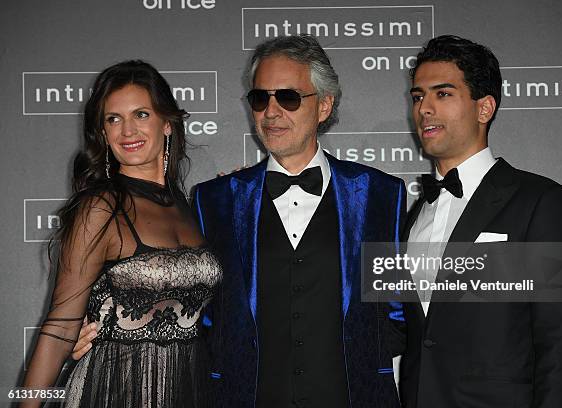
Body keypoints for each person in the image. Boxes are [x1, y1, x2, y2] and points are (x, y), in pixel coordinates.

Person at [193, 34, 406, 407]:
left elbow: (396, 310)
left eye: (288, 97)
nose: (271, 112)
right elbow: (199, 311)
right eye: (261, 98)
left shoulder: (380, 194)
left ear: (324, 105)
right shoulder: (214, 200)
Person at [398, 35, 562, 408]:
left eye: (443, 94)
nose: (424, 108)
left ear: (484, 108)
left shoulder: (545, 202)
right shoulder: (414, 215)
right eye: (418, 96)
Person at [22, 60, 221, 407]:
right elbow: (59, 329)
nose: (127, 130)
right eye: (113, 119)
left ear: (168, 124)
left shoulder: (189, 205)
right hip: (110, 393)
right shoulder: (101, 208)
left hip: (188, 392)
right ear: (103, 133)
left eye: (141, 114)